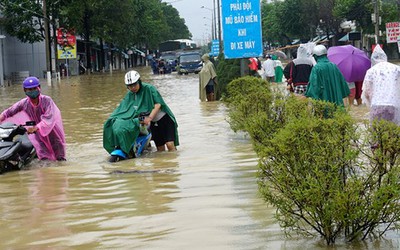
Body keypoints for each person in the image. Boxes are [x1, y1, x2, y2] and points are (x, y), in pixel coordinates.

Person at [103, 70, 179, 155]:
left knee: (170, 145)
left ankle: (174, 164)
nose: (133, 88)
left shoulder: (149, 88)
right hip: (152, 123)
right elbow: (125, 109)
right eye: (130, 86)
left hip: (164, 120)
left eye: (135, 84)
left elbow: (158, 104)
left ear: (139, 81)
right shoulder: (130, 94)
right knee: (160, 149)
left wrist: (149, 118)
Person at [0, 76, 66, 161]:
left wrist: (36, 127)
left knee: (60, 158)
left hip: (53, 132)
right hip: (38, 135)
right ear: (25, 90)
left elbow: (49, 118)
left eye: (34, 88)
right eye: (29, 89)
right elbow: (8, 112)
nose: (33, 91)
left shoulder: (47, 100)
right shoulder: (24, 103)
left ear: (39, 88)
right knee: (44, 159)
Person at [361, 45, 400, 125]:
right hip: (394, 106)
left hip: (376, 105)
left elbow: (367, 92)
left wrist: (370, 102)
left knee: (377, 133)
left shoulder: (371, 71)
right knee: (393, 133)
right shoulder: (396, 69)